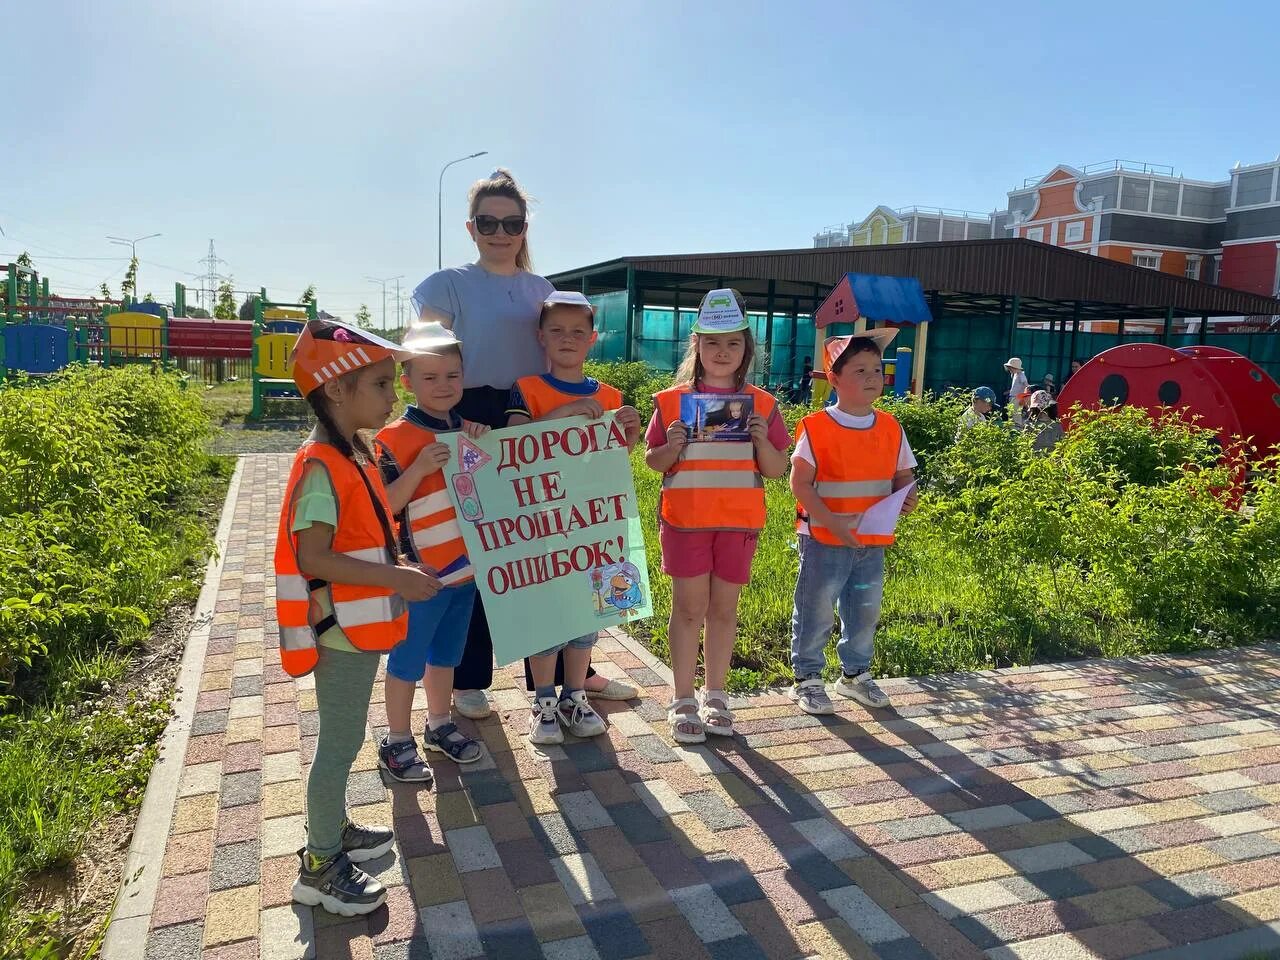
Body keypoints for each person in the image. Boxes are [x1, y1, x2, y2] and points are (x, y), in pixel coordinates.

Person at [410, 169, 633, 720]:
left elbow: (564, 350)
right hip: (471, 418)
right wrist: (442, 419)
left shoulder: (543, 291)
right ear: (471, 226)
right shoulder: (446, 283)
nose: (500, 231)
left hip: (538, 421)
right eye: (488, 221)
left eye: (511, 222)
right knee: (477, 552)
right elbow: (428, 357)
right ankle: (467, 677)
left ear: (525, 226)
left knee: (557, 546)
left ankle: (571, 672)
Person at [273, 319, 441, 915]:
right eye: (380, 383)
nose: (393, 395)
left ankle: (333, 829)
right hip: (342, 632)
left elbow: (373, 517)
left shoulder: (355, 457)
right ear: (337, 390)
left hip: (359, 626)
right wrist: (398, 578)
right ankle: (319, 865)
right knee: (339, 745)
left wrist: (415, 483)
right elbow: (314, 553)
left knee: (342, 740)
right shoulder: (322, 467)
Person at [645, 289, 791, 743]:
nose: (722, 352)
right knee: (688, 610)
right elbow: (654, 461)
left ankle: (716, 696)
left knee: (724, 612)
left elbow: (776, 468)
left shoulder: (763, 405)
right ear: (697, 348)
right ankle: (683, 698)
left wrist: (763, 440)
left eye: (732, 343)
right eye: (712, 343)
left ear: (746, 348)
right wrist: (672, 445)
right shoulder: (671, 402)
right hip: (686, 522)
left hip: (737, 523)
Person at [508, 291, 643, 743]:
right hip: (541, 528)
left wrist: (630, 435)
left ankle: (574, 694)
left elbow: (614, 460)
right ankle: (543, 700)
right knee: (547, 617)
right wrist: (562, 415)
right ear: (540, 336)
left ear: (593, 339)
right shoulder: (525, 388)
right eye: (558, 330)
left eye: (578, 332)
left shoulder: (609, 395)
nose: (568, 338)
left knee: (589, 615)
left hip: (595, 527)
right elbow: (510, 443)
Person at [373, 322, 489, 781]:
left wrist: (485, 444)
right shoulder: (394, 439)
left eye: (453, 376)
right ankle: (396, 739)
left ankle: (439, 724)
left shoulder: (472, 430)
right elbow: (383, 508)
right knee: (406, 660)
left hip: (465, 572)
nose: (443, 386)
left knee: (446, 656)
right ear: (407, 382)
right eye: (430, 377)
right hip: (418, 577)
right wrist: (420, 466)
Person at [789, 332, 919, 716]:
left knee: (865, 609)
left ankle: (855, 675)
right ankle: (808, 678)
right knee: (815, 608)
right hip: (825, 537)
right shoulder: (816, 426)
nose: (871, 377)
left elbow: (903, 477)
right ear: (835, 378)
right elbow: (800, 484)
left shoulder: (891, 427)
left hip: (871, 541)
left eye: (877, 370)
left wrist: (908, 497)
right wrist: (834, 523)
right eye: (860, 370)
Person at [1004, 357, 1029, 427]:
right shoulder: (1015, 375)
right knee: (1011, 412)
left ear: (1015, 368)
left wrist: (1024, 397)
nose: (1009, 369)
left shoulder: (1021, 375)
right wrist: (1009, 392)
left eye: (1010, 368)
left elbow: (1026, 385)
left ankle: (1018, 427)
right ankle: (1012, 426)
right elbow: (1016, 387)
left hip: (1017, 397)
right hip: (1013, 397)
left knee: (1016, 413)